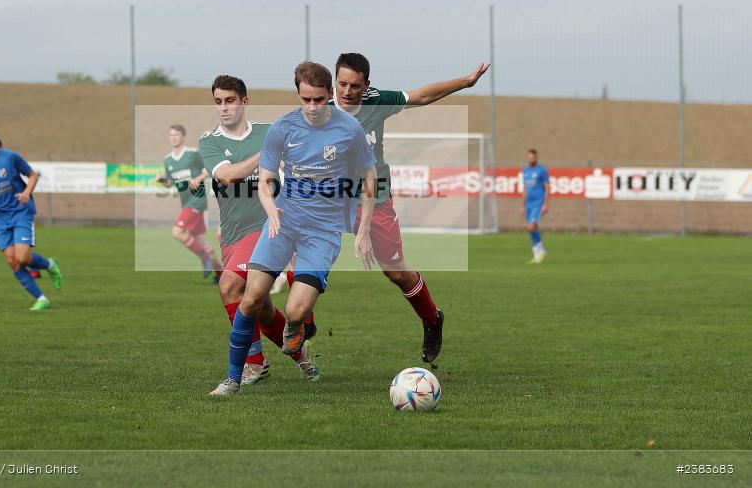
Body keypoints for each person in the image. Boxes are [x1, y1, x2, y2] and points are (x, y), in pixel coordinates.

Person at [210, 61, 377, 396]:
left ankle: (297, 326)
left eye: (318, 99)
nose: (312, 107)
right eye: (305, 100)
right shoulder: (283, 128)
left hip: (324, 231)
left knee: (295, 310)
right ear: (298, 95)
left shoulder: (350, 130)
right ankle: (232, 379)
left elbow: (369, 177)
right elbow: (266, 179)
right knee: (251, 297)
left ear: (329, 95)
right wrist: (271, 211)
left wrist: (364, 231)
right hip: (284, 222)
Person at [331, 53, 490, 362]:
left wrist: (466, 82)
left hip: (374, 199)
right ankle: (301, 326)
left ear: (367, 86)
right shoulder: (320, 108)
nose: (348, 92)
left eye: (355, 86)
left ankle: (432, 319)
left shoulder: (378, 101)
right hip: (333, 199)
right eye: (342, 84)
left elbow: (422, 95)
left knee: (395, 271)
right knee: (308, 256)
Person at [199, 74, 318, 385]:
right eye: (218, 102)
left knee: (228, 286)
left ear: (244, 102)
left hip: (267, 227)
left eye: (230, 101)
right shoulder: (209, 141)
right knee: (262, 308)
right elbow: (228, 177)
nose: (224, 108)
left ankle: (253, 364)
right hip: (233, 235)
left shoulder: (269, 132)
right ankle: (300, 354)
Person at [0, 120, 63, 310]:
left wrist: (26, 193)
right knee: (12, 261)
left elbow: (33, 175)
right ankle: (41, 299)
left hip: (21, 212)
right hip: (1, 218)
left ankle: (50, 265)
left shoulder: (10, 157)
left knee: (23, 258)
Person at [158, 124, 222, 281]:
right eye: (171, 135)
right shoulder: (168, 160)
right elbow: (171, 183)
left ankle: (204, 257)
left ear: (183, 136)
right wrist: (162, 180)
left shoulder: (192, 154)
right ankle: (221, 275)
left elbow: (210, 167)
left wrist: (199, 179)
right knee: (201, 241)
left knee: (177, 232)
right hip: (186, 202)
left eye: (177, 135)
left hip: (197, 199)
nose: (174, 138)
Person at [0, 138, 41, 279]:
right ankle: (15, 253)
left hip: (15, 209)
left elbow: (28, 177)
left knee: (21, 255)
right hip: (0, 212)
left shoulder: (8, 161)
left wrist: (25, 194)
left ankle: (31, 264)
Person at [522, 148, 550, 263]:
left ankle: (540, 251)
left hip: (538, 203)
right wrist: (522, 205)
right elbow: (525, 189)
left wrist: (545, 204)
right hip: (528, 203)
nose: (531, 159)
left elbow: (548, 188)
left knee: (531, 227)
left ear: (536, 158)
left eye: (533, 157)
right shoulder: (525, 171)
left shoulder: (542, 170)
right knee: (532, 229)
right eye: (529, 157)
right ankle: (538, 254)